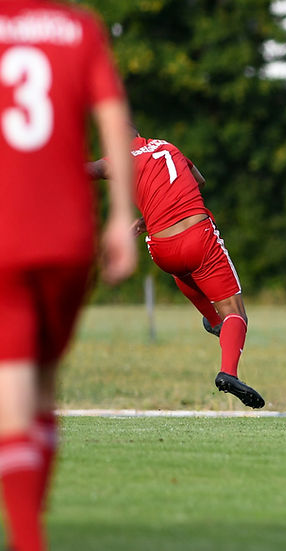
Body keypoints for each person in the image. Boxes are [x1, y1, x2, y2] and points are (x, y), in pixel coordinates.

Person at [0, 2, 137, 550]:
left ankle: (29, 538)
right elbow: (111, 120)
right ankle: (33, 529)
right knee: (43, 385)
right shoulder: (80, 28)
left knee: (13, 381)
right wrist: (122, 217)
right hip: (67, 233)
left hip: (5, 231)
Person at [88, 130, 265, 409]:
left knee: (182, 268)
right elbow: (199, 180)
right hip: (197, 236)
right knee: (236, 312)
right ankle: (228, 371)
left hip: (162, 249)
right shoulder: (169, 147)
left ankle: (215, 322)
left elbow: (93, 170)